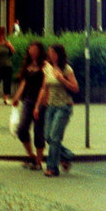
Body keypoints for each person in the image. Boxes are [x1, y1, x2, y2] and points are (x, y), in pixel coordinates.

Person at [36, 43, 79, 177]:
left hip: (64, 106)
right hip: (50, 106)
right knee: (48, 137)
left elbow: (75, 88)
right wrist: (38, 106)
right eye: (50, 53)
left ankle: (52, 168)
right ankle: (67, 155)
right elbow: (44, 88)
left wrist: (62, 79)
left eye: (53, 53)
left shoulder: (67, 69)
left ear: (59, 54)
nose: (51, 55)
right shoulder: (47, 68)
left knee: (54, 137)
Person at [12, 41, 47, 170]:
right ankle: (31, 155)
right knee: (22, 129)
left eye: (34, 49)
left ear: (39, 51)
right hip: (28, 100)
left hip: (41, 102)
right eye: (30, 49)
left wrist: (39, 104)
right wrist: (16, 97)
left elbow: (44, 86)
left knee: (38, 131)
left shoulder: (45, 66)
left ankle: (38, 161)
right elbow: (24, 83)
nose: (32, 51)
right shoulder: (28, 65)